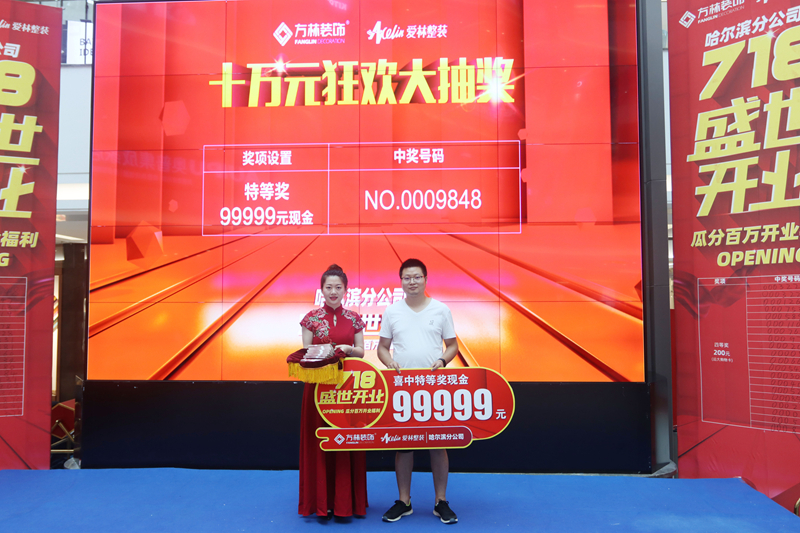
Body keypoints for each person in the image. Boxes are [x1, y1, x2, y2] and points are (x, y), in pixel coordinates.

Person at [377, 258, 459, 524]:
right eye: (407, 278)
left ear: (425, 279)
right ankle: (404, 501)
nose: (412, 282)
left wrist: (443, 361)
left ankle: (440, 501)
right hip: (403, 387)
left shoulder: (441, 309)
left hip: (434, 386)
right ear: (401, 281)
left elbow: (452, 345)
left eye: (417, 277)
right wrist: (389, 362)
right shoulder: (392, 311)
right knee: (404, 445)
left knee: (437, 444)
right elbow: (382, 348)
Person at [298, 264, 367, 518]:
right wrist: (326, 351)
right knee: (320, 441)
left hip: (346, 389)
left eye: (338, 287)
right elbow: (306, 352)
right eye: (329, 287)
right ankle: (321, 502)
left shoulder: (354, 318)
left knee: (345, 440)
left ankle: (346, 503)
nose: (333, 292)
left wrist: (348, 350)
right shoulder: (310, 318)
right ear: (322, 290)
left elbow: (361, 351)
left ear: (346, 290)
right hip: (318, 388)